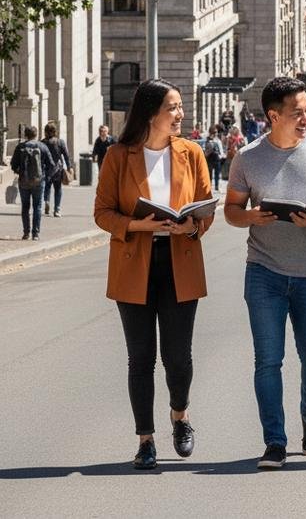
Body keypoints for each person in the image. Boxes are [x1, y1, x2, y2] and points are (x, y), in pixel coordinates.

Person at [225, 77, 306, 469]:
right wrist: (252, 217)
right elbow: (231, 211)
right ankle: (275, 442)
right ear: (273, 116)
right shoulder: (247, 157)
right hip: (263, 271)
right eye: (297, 112)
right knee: (268, 359)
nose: (305, 118)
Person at [92, 79, 215, 469]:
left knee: (178, 356)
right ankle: (145, 439)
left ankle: (181, 416)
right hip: (135, 263)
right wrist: (138, 226)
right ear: (151, 113)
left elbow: (205, 208)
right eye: (173, 108)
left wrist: (191, 227)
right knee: (140, 358)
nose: (180, 114)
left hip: (180, 260)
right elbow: (102, 212)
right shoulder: (118, 156)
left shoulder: (191, 153)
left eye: (180, 107)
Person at [11, 125, 55, 241]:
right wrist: (45, 176)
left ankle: (26, 233)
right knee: (37, 207)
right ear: (36, 134)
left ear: (26, 135)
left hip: (24, 182)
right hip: (39, 181)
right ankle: (35, 234)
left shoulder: (20, 147)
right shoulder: (42, 146)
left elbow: (13, 165)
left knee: (25, 207)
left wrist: (20, 173)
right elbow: (51, 164)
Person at [41, 122, 72, 218]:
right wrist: (69, 167)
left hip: (46, 169)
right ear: (55, 131)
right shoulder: (60, 142)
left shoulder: (42, 142)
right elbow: (66, 156)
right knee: (58, 189)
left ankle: (46, 201)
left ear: (45, 131)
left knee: (47, 187)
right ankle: (57, 210)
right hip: (57, 169)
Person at [203, 126, 224, 193]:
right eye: (214, 132)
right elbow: (205, 150)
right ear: (211, 132)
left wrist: (221, 155)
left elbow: (221, 149)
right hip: (210, 158)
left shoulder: (218, 140)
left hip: (217, 158)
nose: (216, 134)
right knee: (209, 173)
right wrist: (209, 150)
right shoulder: (207, 140)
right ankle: (209, 187)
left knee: (217, 174)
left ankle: (217, 187)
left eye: (216, 132)